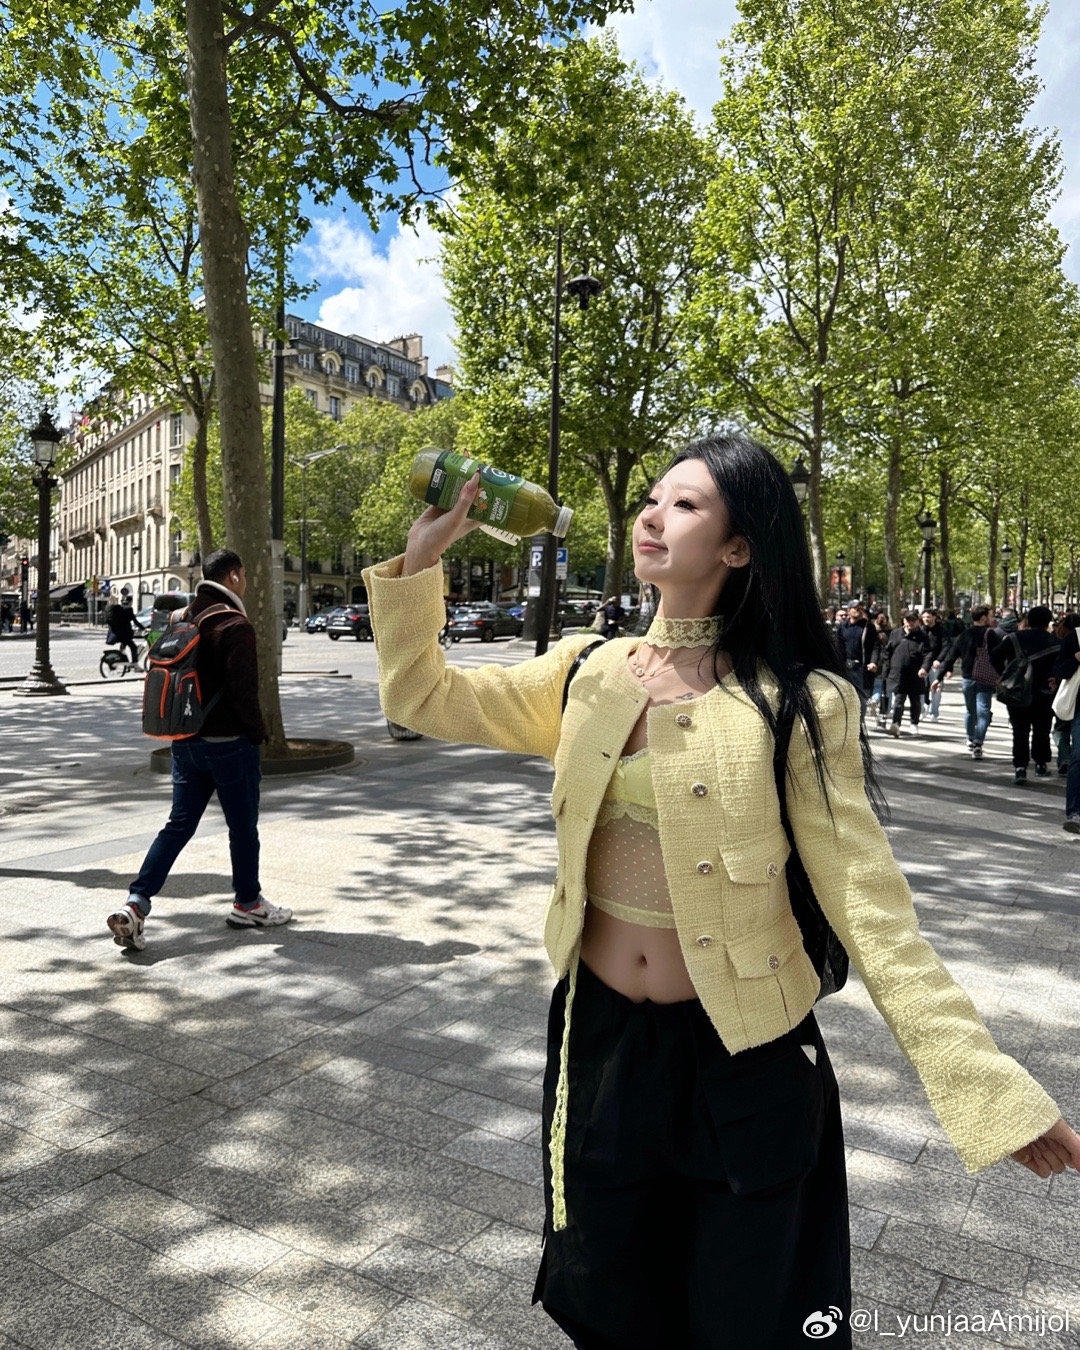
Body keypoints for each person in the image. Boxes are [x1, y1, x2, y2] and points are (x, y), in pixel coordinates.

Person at [363, 432, 1078, 1350]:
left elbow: (872, 911)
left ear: (740, 547)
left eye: (686, 504)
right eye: (650, 499)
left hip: (748, 1060)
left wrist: (989, 1088)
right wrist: (420, 565)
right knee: (611, 1297)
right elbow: (420, 697)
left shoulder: (800, 704)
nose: (652, 517)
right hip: (601, 1044)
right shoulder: (586, 672)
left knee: (754, 1315)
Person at [106, 549, 292, 951]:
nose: (246, 581)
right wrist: (258, 735)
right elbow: (244, 693)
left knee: (178, 825)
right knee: (242, 827)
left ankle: (136, 903)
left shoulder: (182, 617)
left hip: (185, 742)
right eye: (244, 575)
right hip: (230, 746)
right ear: (234, 576)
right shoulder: (234, 624)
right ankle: (248, 903)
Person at [990, 604, 1060, 785]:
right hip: (1044, 692)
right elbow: (1060, 666)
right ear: (1048, 622)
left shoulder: (1014, 638)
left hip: (1017, 690)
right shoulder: (1054, 641)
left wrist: (1005, 675)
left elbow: (994, 656)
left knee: (1020, 730)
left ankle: (1020, 767)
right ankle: (1041, 764)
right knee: (1042, 729)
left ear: (1028, 620)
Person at [936, 605, 1000, 760]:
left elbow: (951, 656)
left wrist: (939, 677)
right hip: (984, 677)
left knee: (970, 711)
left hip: (967, 677)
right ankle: (978, 742)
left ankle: (971, 738)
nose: (992, 618)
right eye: (991, 616)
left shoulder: (964, 635)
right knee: (983, 711)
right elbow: (999, 656)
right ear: (983, 618)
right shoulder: (991, 634)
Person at [882, 611, 930, 737]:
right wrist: (886, 671)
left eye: (913, 620)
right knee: (898, 701)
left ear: (917, 621)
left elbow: (927, 654)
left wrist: (924, 668)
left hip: (916, 674)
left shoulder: (922, 636)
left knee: (915, 701)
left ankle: (914, 723)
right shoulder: (895, 633)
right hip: (898, 674)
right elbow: (887, 652)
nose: (910, 623)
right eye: (908, 620)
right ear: (903, 621)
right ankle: (896, 724)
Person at [1054, 614, 1080, 831]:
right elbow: (1060, 670)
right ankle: (1075, 812)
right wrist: (1076, 659)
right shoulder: (1076, 637)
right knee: (1079, 755)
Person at [835, 601, 880, 696]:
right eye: (856, 608)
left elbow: (876, 646)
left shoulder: (868, 626)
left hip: (863, 669)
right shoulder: (843, 627)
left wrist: (873, 662)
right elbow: (839, 647)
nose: (859, 610)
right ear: (849, 611)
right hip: (847, 668)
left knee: (862, 698)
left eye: (861, 608)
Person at [920, 609, 945, 720]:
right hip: (922, 663)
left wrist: (939, 660)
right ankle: (921, 709)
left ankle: (934, 712)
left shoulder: (941, 630)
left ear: (934, 617)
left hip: (936, 663)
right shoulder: (920, 630)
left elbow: (947, 646)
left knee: (936, 688)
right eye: (924, 617)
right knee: (920, 687)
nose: (926, 619)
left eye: (928, 617)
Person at [105, 597, 144, 666]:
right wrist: (143, 628)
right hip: (125, 634)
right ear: (130, 602)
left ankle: (122, 659)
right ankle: (135, 664)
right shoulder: (129, 609)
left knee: (123, 647)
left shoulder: (120, 609)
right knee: (133, 647)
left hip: (118, 633)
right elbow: (135, 622)